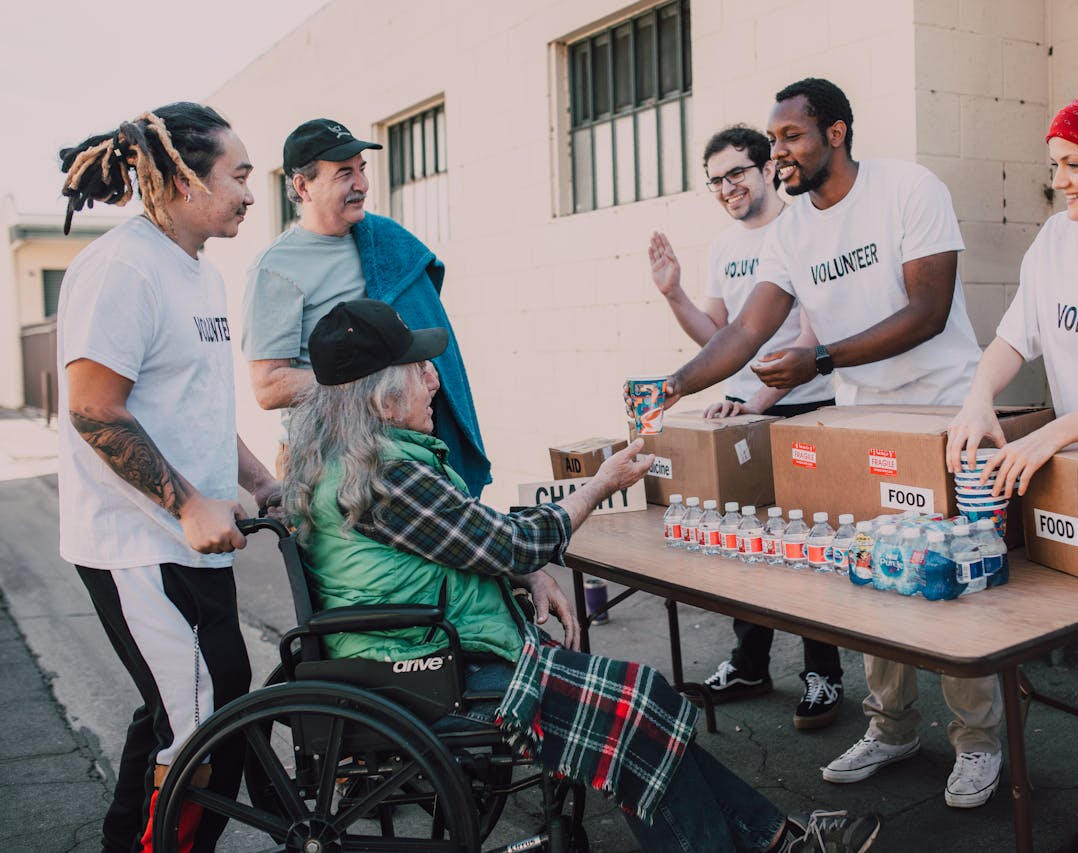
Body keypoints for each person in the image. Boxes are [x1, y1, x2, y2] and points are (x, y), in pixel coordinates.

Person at [282, 297, 882, 853]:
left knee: (643, 706)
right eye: (419, 371)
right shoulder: (386, 476)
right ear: (382, 400)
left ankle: (774, 839)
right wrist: (597, 487)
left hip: (418, 657)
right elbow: (508, 542)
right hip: (430, 676)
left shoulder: (349, 461)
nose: (435, 379)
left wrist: (525, 573)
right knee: (636, 709)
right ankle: (764, 840)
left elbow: (470, 541)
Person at [658, 78, 1002, 808]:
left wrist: (820, 359)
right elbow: (746, 331)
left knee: (951, 584)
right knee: (873, 575)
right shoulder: (791, 232)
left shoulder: (908, 188)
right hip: (860, 418)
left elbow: (929, 309)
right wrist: (675, 384)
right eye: (773, 139)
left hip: (941, 408)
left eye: (791, 137)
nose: (777, 151)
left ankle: (978, 742)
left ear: (836, 133)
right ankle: (891, 726)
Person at [56, 103, 280, 852]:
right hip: (137, 544)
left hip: (193, 541)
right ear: (185, 179)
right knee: (200, 722)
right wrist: (186, 505)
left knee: (199, 706)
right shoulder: (121, 268)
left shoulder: (200, 274)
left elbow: (196, 409)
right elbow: (94, 410)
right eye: (238, 176)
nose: (249, 193)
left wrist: (260, 482)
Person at [648, 124, 841, 728]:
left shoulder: (804, 229)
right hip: (743, 413)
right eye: (715, 180)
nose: (726, 187)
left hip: (804, 410)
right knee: (744, 545)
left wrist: (754, 402)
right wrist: (674, 294)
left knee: (809, 546)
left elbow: (810, 335)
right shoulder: (725, 247)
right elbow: (720, 337)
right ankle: (749, 665)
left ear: (768, 169)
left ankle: (823, 674)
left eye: (736, 172)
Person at [242, 118, 489, 495]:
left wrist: (411, 373)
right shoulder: (275, 268)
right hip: (325, 459)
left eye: (362, 169)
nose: (361, 184)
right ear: (303, 186)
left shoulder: (386, 241)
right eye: (345, 173)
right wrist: (372, 377)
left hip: (404, 452)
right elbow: (268, 387)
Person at [947, 98, 1078, 493]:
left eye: (1074, 164)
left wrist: (1053, 433)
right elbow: (1013, 340)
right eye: (1056, 166)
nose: (1058, 182)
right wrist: (978, 399)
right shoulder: (1055, 239)